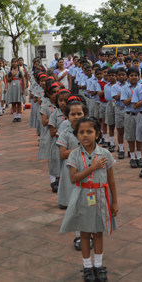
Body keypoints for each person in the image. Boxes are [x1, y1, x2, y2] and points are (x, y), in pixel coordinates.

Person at [60, 117, 117, 282]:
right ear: (76, 135)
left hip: (100, 197)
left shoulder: (104, 154)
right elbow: (74, 178)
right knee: (84, 233)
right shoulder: (74, 155)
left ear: (97, 134)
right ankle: (87, 267)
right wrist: (92, 168)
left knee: (98, 233)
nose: (85, 135)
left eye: (89, 132)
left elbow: (111, 180)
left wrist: (115, 202)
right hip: (82, 197)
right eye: (81, 132)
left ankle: (98, 266)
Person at [56, 97, 87, 248]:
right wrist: (79, 150)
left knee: (88, 203)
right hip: (71, 174)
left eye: (79, 114)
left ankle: (89, 233)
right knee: (75, 205)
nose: (76, 117)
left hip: (88, 173)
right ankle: (78, 236)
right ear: (67, 116)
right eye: (73, 114)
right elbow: (62, 154)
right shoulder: (65, 133)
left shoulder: (89, 131)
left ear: (84, 114)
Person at [121, 67, 141, 168]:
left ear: (139, 77)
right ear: (128, 77)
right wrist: (135, 96)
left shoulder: (141, 87)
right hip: (130, 115)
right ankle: (133, 157)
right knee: (131, 137)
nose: (134, 77)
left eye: (135, 75)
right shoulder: (125, 88)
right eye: (131, 75)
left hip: (140, 115)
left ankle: (140, 157)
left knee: (140, 137)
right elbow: (125, 102)